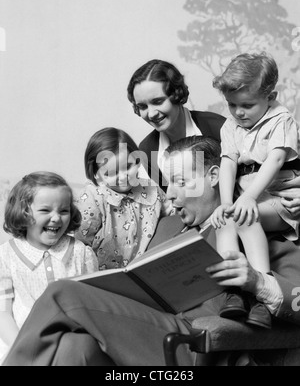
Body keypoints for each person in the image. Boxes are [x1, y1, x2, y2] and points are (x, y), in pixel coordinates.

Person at [3, 136, 300, 366]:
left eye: (182, 182)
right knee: (74, 347)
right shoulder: (166, 226)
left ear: (213, 177)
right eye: (168, 183)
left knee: (62, 293)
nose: (170, 193)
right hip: (139, 332)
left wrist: (258, 282)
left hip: (194, 344)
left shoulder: (256, 228)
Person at [210, 52, 300, 328]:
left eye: (247, 105)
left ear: (270, 96)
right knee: (226, 220)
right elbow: (227, 161)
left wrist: (248, 197)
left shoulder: (280, 118)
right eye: (232, 105)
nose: (238, 112)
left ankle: (261, 290)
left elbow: (275, 159)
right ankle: (233, 291)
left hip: (277, 198)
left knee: (248, 218)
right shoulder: (231, 126)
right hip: (246, 198)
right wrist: (226, 202)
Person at [0, 171, 99, 362]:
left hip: (72, 339)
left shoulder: (81, 253)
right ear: (23, 212)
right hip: (21, 340)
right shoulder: (6, 256)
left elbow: (93, 304)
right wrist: (21, 348)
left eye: (63, 211)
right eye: (45, 211)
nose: (56, 218)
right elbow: (2, 312)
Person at [75, 127, 173, 270]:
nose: (123, 177)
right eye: (111, 173)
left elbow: (173, 217)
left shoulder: (152, 190)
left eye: (128, 166)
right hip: (104, 277)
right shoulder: (93, 198)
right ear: (96, 174)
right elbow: (79, 244)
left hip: (148, 270)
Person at [127, 59, 225, 190]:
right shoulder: (147, 148)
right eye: (142, 106)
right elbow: (170, 197)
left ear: (177, 94)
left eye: (158, 101)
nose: (151, 114)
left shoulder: (219, 127)